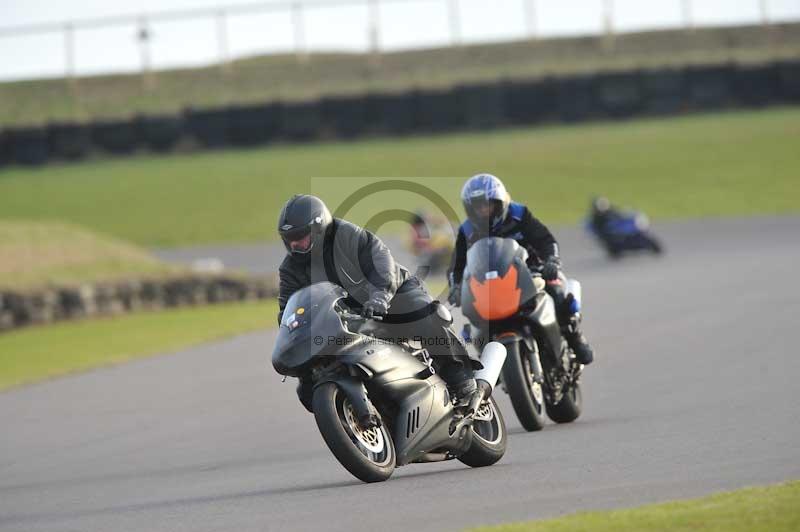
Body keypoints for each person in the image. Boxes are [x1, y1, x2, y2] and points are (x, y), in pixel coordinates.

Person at [277, 194, 479, 411]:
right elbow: (289, 310)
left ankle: (460, 377)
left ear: (319, 227)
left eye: (301, 237)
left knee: (423, 314)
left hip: (390, 293)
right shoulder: (290, 269)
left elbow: (381, 262)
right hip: (347, 317)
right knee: (308, 384)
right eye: (290, 239)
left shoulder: (347, 235)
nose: (295, 244)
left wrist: (380, 297)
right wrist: (294, 336)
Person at [447, 174, 594, 365]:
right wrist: (455, 286)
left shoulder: (519, 214)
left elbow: (545, 240)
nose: (483, 210)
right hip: (492, 282)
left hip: (533, 271)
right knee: (473, 319)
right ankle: (488, 361)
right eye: (478, 207)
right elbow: (456, 266)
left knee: (558, 294)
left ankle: (575, 339)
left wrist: (552, 261)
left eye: (488, 204)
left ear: (500, 202)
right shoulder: (467, 231)